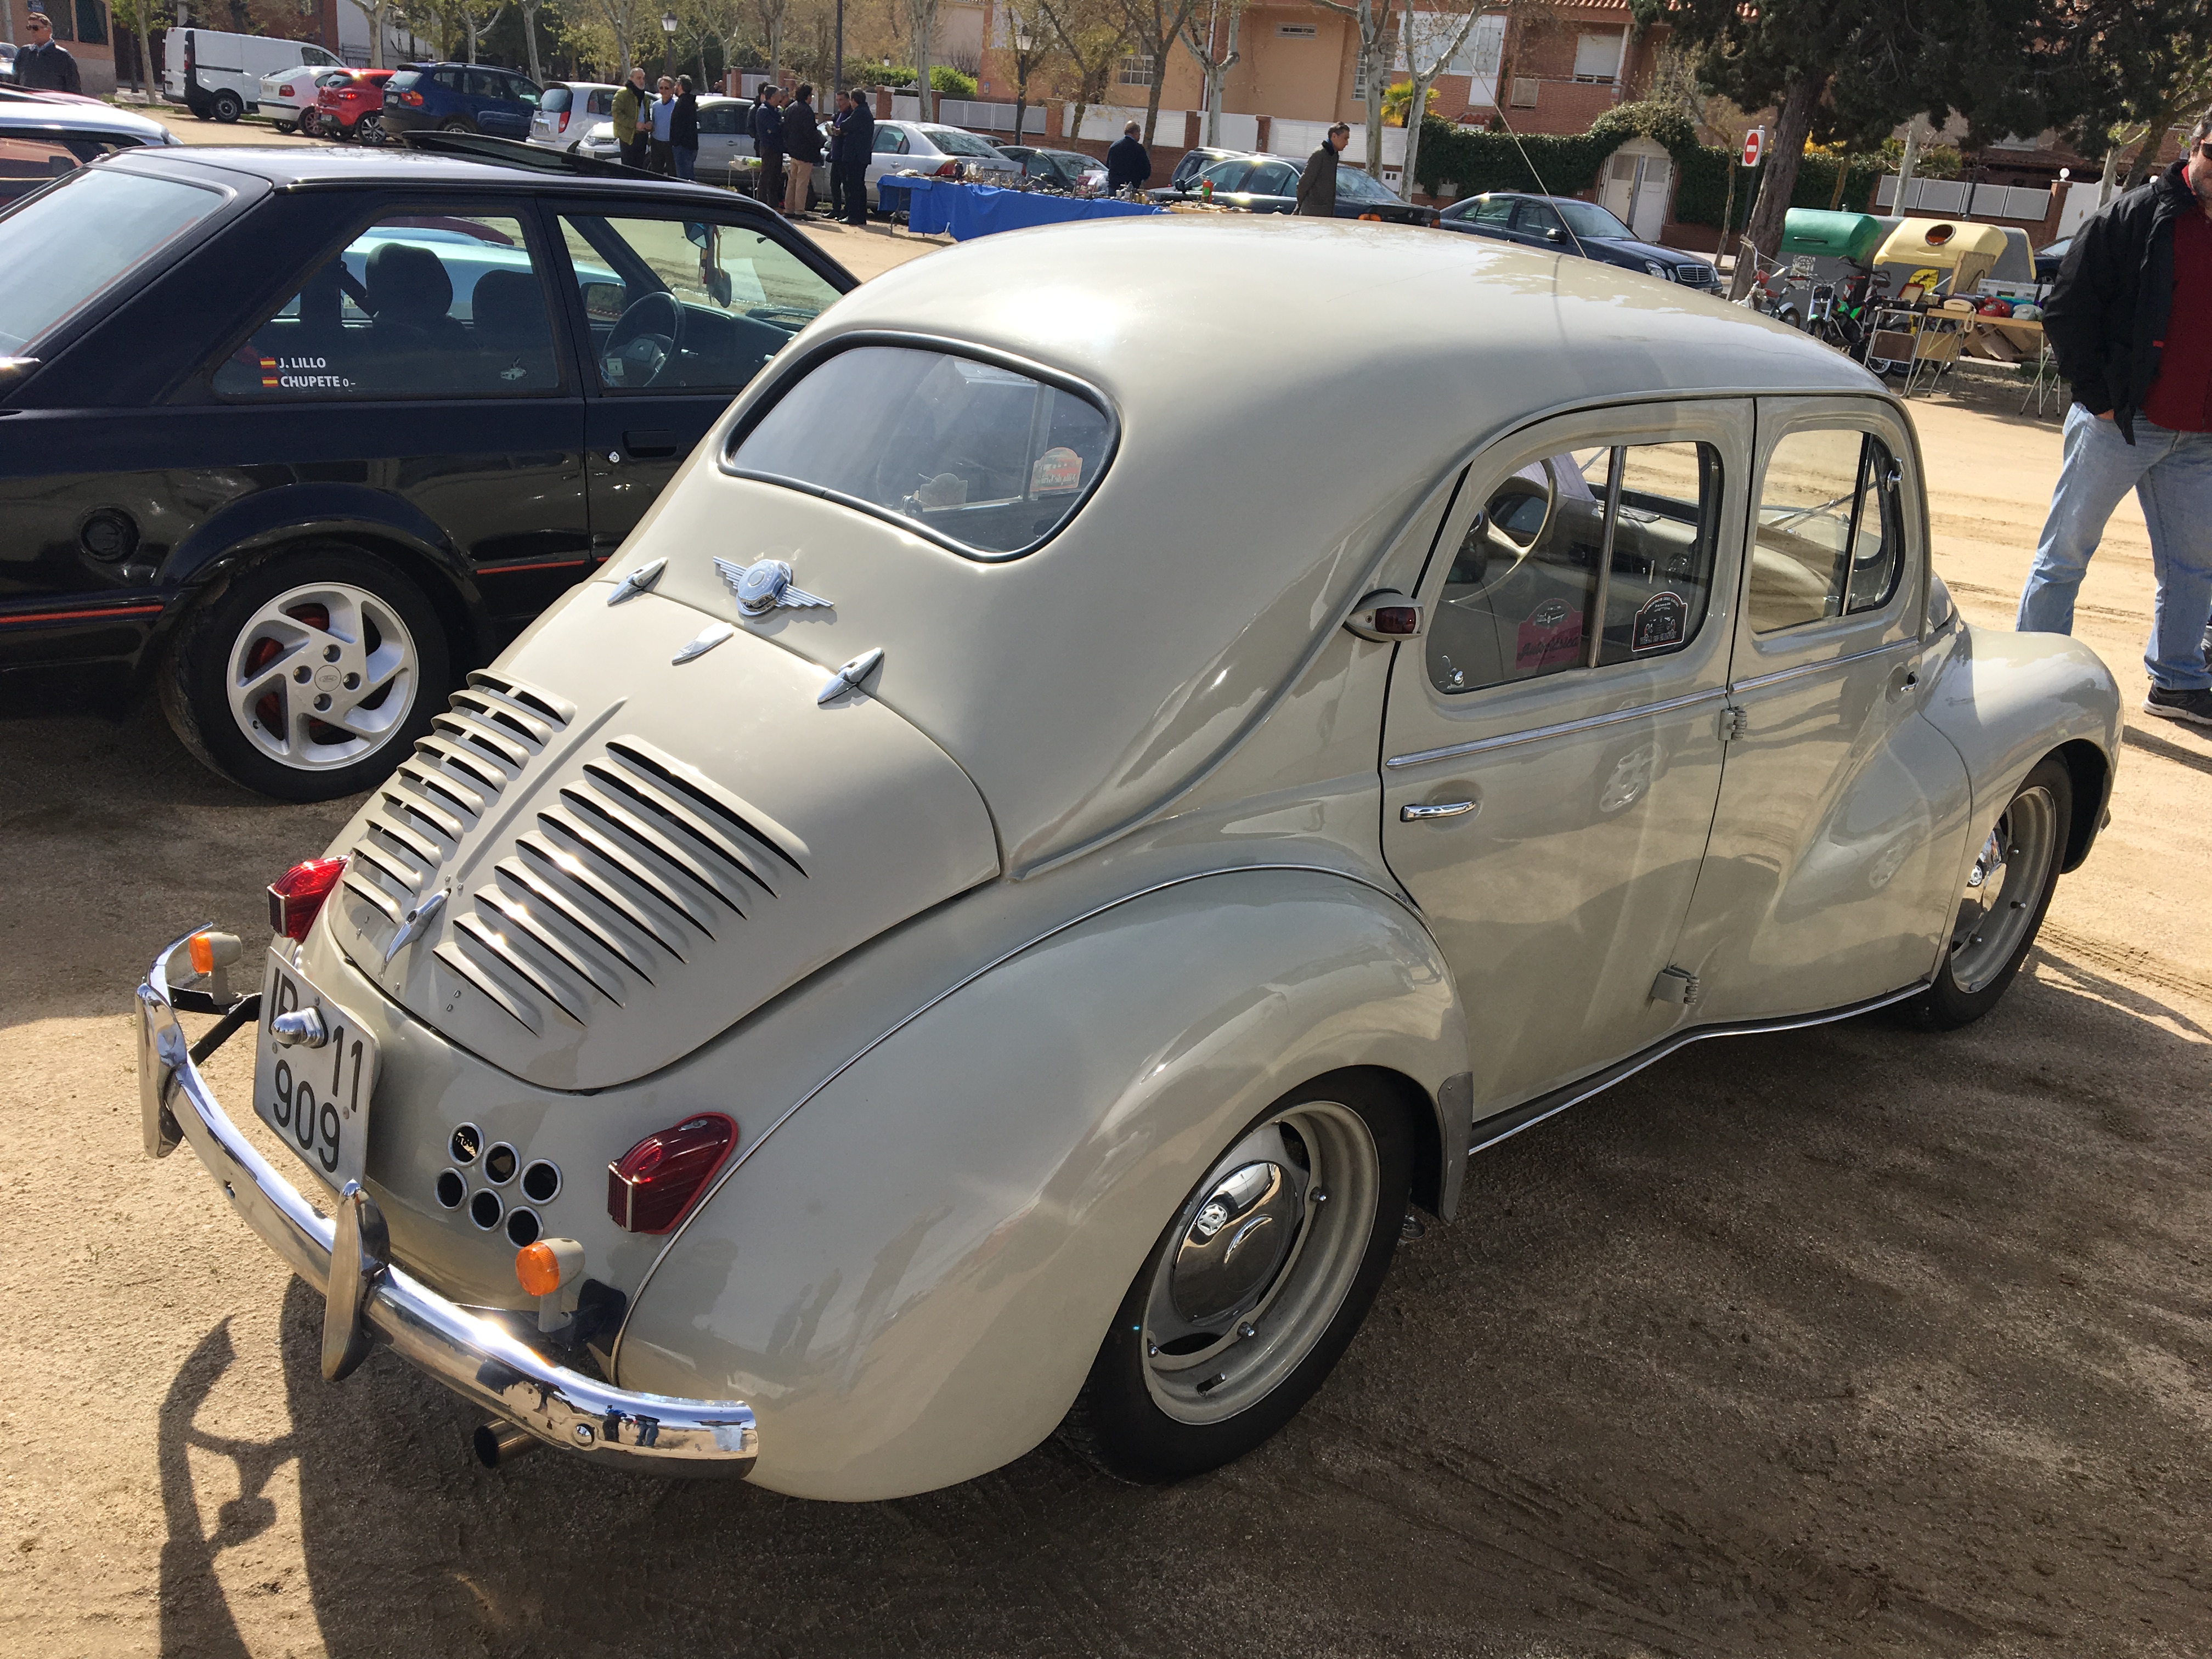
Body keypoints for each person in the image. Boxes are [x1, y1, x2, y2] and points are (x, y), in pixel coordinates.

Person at [2022, 108, 2212, 728]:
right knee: (2065, 555)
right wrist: (2098, 396)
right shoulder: (2133, 217)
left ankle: (2177, 681)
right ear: (2193, 146)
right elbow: (2068, 307)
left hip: (2200, 435)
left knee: (2194, 568)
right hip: (2119, 423)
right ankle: (2035, 677)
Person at [14, 9, 81, 94]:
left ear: (48, 30)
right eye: (29, 28)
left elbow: (74, 89)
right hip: (28, 100)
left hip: (51, 101)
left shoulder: (63, 56)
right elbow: (16, 81)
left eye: (35, 28)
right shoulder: (24, 52)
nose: (32, 31)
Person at [1296, 122, 1351, 217]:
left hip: (1326, 212)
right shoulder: (1319, 154)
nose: (1347, 143)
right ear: (1334, 136)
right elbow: (1304, 183)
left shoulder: (1334, 155)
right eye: (1345, 138)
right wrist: (1299, 205)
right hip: (1312, 213)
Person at [837, 88, 873, 227]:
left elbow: (845, 124)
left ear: (853, 100)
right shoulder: (866, 112)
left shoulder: (860, 112)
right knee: (859, 186)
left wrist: (844, 130)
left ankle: (853, 216)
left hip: (855, 156)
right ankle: (861, 216)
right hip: (861, 156)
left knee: (853, 187)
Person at [784, 83, 821, 216]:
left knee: (792, 181)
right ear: (807, 96)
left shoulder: (790, 108)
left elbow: (785, 129)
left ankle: (789, 209)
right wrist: (819, 142)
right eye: (811, 95)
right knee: (802, 182)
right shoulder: (807, 111)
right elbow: (810, 132)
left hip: (793, 151)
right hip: (805, 152)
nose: (811, 98)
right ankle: (800, 210)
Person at [751, 86, 786, 210]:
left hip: (778, 147)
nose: (780, 98)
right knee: (766, 176)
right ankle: (761, 204)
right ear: (772, 97)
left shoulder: (776, 111)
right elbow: (775, 128)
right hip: (768, 147)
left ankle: (773, 204)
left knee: (776, 178)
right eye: (778, 96)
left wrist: (779, 126)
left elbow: (778, 128)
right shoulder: (764, 111)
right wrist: (780, 125)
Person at [610, 67, 650, 170]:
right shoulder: (622, 94)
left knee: (640, 169)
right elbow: (616, 114)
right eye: (639, 78)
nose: (642, 81)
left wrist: (649, 123)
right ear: (631, 79)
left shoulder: (644, 96)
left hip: (642, 137)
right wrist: (634, 124)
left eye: (643, 78)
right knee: (628, 169)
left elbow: (646, 115)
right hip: (627, 137)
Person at [1105, 120, 1150, 194]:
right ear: (1136, 133)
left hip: (1114, 187)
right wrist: (1140, 179)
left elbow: (1108, 166)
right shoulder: (1139, 149)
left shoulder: (1114, 146)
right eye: (1139, 134)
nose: (1139, 137)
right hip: (1131, 188)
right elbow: (1146, 170)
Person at [670, 75, 699, 180]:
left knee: (685, 179)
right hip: (689, 145)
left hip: (684, 147)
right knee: (687, 176)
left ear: (680, 86)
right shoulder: (689, 102)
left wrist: (675, 143)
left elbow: (680, 126)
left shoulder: (683, 103)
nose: (675, 87)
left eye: (676, 85)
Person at [646, 76, 678, 174]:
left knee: (672, 171)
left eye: (667, 88)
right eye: (661, 88)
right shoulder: (655, 105)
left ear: (672, 90)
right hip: (656, 143)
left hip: (671, 143)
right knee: (656, 171)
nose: (664, 91)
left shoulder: (677, 105)